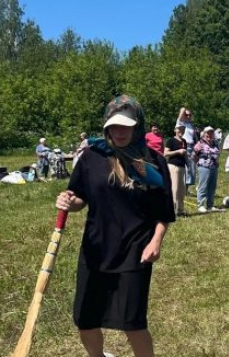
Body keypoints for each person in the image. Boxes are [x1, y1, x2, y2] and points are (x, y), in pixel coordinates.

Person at [55, 94, 174, 357]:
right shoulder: (91, 157)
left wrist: (156, 242)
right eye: (114, 125)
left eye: (126, 126)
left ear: (137, 126)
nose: (119, 132)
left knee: (132, 323)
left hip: (135, 249)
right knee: (86, 320)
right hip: (96, 250)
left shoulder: (152, 163)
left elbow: (163, 212)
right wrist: (69, 200)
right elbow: (79, 198)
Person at [193, 126, 222, 213]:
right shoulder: (200, 143)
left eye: (211, 133)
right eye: (207, 133)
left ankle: (210, 205)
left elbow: (218, 154)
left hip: (214, 167)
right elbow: (193, 155)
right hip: (204, 167)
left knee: (212, 187)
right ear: (204, 134)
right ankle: (201, 205)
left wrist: (217, 161)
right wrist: (198, 162)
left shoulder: (215, 143)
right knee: (203, 186)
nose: (209, 134)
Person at [164, 125, 188, 216]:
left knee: (182, 190)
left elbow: (185, 154)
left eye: (183, 129)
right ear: (175, 130)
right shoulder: (171, 140)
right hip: (173, 166)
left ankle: (180, 210)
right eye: (179, 129)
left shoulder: (184, 141)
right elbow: (165, 153)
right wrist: (178, 151)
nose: (181, 131)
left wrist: (188, 163)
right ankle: (171, 211)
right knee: (175, 189)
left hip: (182, 167)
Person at [176, 108, 196, 188]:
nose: (188, 116)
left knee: (190, 169)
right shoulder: (181, 123)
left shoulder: (191, 125)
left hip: (191, 148)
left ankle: (186, 189)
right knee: (183, 168)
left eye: (189, 115)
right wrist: (184, 110)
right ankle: (181, 187)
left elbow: (193, 137)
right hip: (183, 146)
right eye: (186, 115)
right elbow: (181, 111)